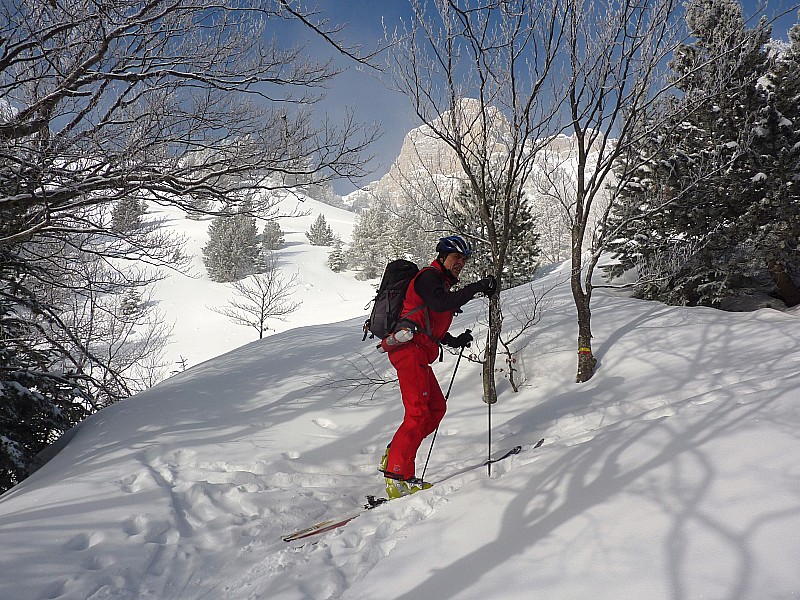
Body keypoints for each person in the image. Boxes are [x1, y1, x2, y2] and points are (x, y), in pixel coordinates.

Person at [379, 235, 497, 499]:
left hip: (418, 350)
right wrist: (477, 287)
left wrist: (454, 340)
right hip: (408, 351)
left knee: (435, 408)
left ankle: (397, 452)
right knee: (418, 412)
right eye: (456, 258)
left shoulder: (439, 283)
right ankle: (398, 476)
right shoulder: (428, 277)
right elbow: (441, 304)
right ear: (443, 257)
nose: (460, 264)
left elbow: (428, 324)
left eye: (464, 260)